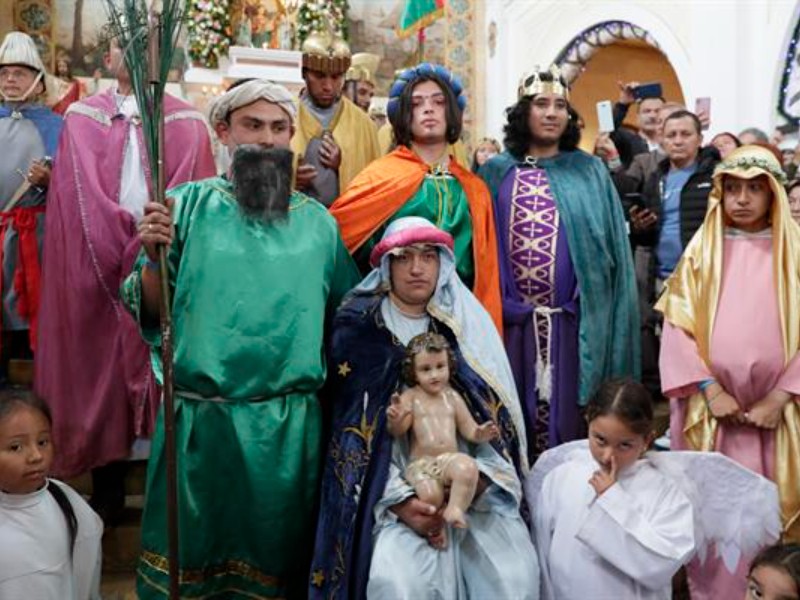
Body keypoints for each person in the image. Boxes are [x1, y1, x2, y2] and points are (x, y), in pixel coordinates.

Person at [122, 78, 360, 598]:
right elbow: (152, 311)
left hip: (286, 433)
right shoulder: (183, 207)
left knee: (277, 574)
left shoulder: (320, 225)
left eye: (279, 127)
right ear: (224, 131)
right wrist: (153, 257)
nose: (268, 139)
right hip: (199, 429)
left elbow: (347, 320)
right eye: (253, 125)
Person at [34, 32, 215, 522]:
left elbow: (192, 193)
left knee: (163, 367)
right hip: (95, 265)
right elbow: (76, 197)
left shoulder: (188, 120)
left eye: (148, 47)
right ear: (110, 56)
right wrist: (121, 238)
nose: (136, 57)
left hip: (163, 261)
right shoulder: (81, 117)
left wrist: (151, 245)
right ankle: (108, 488)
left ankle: (164, 493)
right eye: (126, 46)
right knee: (98, 369)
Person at [310, 217, 537, 600]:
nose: (417, 268)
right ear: (386, 265)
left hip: (473, 489)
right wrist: (401, 503)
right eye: (404, 257)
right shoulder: (357, 328)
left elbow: (492, 419)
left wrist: (476, 483)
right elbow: (350, 437)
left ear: (442, 264)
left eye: (428, 257)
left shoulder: (462, 327)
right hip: (391, 492)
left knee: (513, 579)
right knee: (398, 584)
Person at [658, 145, 800, 599]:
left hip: (780, 420)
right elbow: (677, 328)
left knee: (776, 515)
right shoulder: (703, 253)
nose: (742, 199)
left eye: (754, 189)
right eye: (733, 189)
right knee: (720, 520)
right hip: (717, 417)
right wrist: (710, 388)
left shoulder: (794, 255)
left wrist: (781, 396)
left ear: (773, 193)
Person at [479, 66, 639, 459]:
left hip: (573, 328)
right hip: (512, 329)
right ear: (523, 112)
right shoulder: (495, 171)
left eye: (560, 105)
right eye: (541, 104)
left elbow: (612, 256)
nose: (551, 113)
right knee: (510, 426)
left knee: (569, 431)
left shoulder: (588, 172)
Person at [331, 63, 503, 329]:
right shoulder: (379, 176)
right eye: (416, 103)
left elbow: (487, 274)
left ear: (452, 113)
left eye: (438, 101)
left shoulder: (474, 190)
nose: (428, 108)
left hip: (460, 324)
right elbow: (338, 248)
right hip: (389, 323)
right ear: (404, 114)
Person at [529, 379, 695, 600]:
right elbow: (543, 553)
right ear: (588, 422)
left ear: (647, 439)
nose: (608, 456)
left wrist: (613, 500)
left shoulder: (666, 494)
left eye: (624, 445)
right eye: (600, 440)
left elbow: (661, 565)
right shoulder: (561, 477)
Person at [631, 109, 719, 400]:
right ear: (661, 140)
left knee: (705, 347)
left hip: (704, 278)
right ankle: (674, 411)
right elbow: (652, 232)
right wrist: (640, 227)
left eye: (685, 134)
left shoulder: (715, 176)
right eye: (671, 135)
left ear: (700, 139)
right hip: (663, 276)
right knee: (671, 348)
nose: (678, 141)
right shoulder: (656, 177)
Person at [388, 332, 500, 532]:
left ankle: (454, 510)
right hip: (421, 464)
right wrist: (396, 418)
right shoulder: (411, 396)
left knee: (467, 468)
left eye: (440, 366)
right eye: (425, 369)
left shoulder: (452, 397)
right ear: (413, 372)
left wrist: (480, 433)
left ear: (449, 365)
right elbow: (398, 431)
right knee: (431, 498)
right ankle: (436, 528)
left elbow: (469, 429)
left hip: (449, 460)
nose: (434, 375)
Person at [0, 32, 62, 382]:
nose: (10, 79)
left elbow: (75, 190)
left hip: (33, 241)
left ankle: (28, 398)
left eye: (19, 73)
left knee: (27, 314)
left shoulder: (58, 127)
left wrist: (51, 182)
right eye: (4, 72)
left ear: (38, 82)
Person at [0, 390, 103, 599]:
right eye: (16, 447)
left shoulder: (65, 500)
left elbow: (87, 569)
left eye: (43, 442)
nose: (36, 456)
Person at [291, 29, 380, 206]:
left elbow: (374, 184)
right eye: (319, 76)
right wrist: (290, 177)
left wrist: (342, 163)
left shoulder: (364, 125)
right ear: (304, 73)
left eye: (336, 77)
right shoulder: (283, 115)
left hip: (345, 225)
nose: (328, 86)